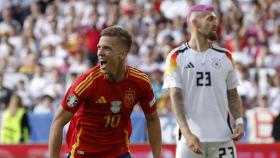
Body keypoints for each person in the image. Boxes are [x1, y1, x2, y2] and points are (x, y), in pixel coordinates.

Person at [49, 26, 162, 158]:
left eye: (107, 48)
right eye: (99, 47)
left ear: (122, 54)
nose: (99, 53)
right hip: (84, 154)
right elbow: (58, 122)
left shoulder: (140, 82)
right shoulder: (87, 82)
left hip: (119, 153)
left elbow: (153, 119)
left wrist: (157, 156)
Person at [163, 5, 244, 158]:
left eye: (216, 19)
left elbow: (232, 94)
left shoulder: (226, 56)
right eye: (210, 19)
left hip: (223, 139)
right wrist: (187, 133)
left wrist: (239, 122)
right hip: (190, 140)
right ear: (194, 23)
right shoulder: (175, 57)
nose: (216, 23)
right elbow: (176, 98)